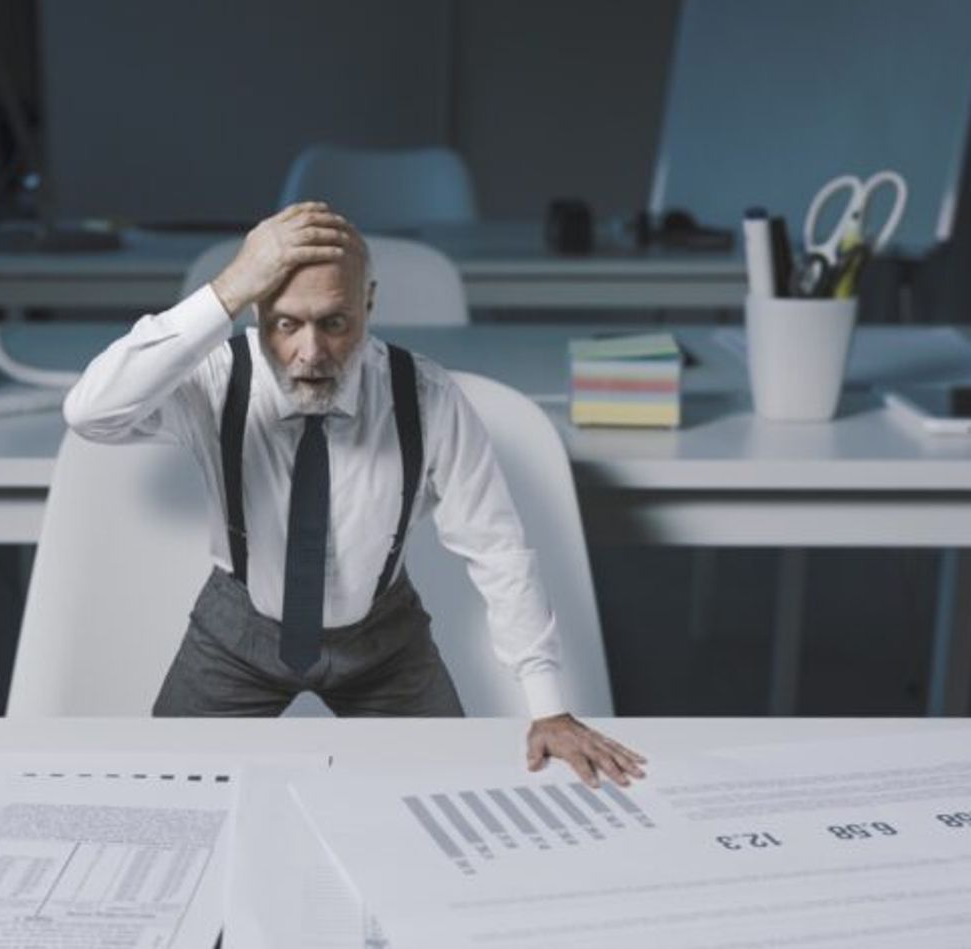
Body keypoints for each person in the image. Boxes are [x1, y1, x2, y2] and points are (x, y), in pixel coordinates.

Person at [62, 202, 645, 786]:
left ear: (368, 305)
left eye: (334, 323)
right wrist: (227, 289)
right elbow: (92, 413)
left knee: (450, 794)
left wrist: (548, 706)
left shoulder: (428, 397)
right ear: (256, 311)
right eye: (285, 323)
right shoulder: (217, 380)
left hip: (384, 643)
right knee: (164, 789)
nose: (310, 353)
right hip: (237, 632)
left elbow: (497, 550)